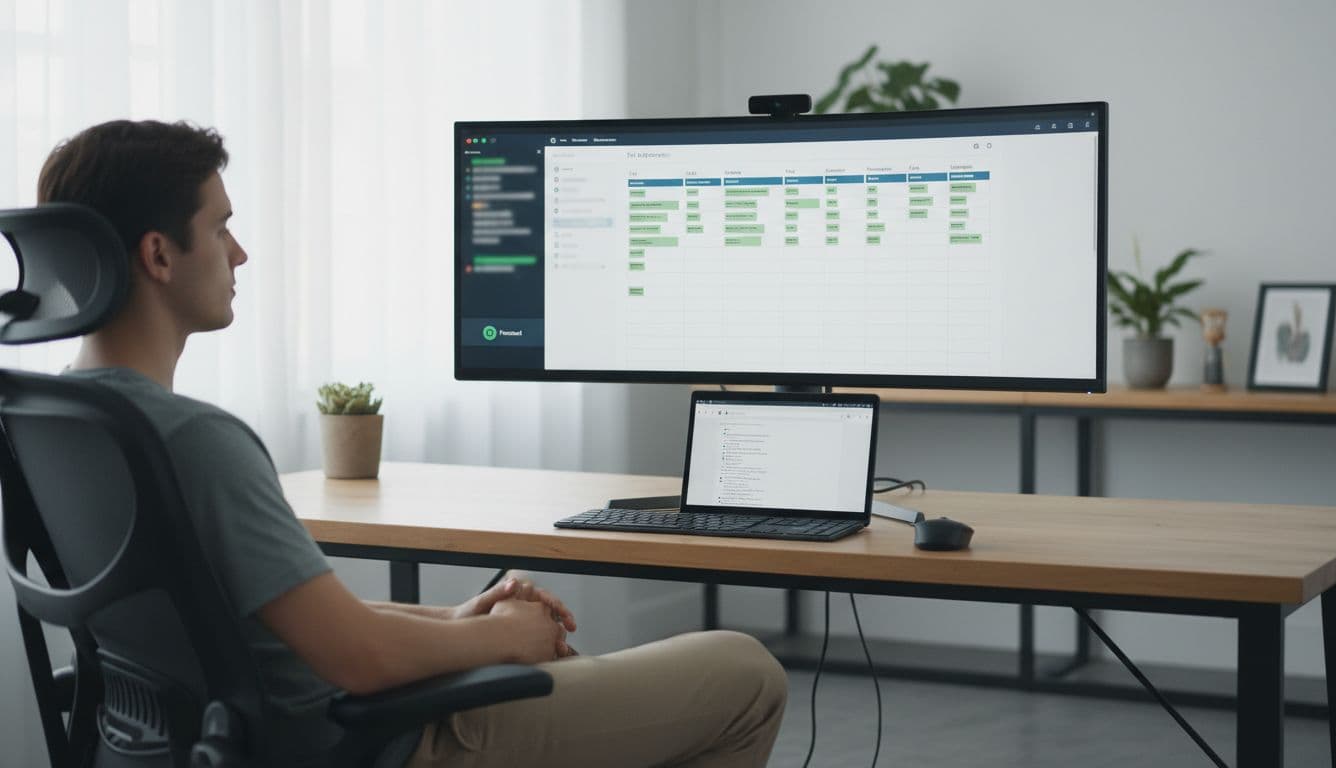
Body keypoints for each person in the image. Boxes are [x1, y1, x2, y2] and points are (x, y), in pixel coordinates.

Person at [39, 119, 787, 767]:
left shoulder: (53, 423)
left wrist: (459, 620)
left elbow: (284, 627)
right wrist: (505, 641)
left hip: (178, 742)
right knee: (745, 671)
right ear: (159, 255)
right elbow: (357, 658)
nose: (239, 255)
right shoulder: (195, 439)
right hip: (370, 746)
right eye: (221, 226)